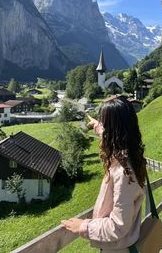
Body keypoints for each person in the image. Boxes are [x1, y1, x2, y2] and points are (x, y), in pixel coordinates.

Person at [61, 95, 147, 253]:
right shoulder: (131, 155)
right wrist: (97, 125)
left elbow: (117, 226)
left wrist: (83, 226)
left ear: (113, 131)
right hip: (124, 245)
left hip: (119, 249)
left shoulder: (123, 172)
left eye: (104, 122)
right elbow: (108, 134)